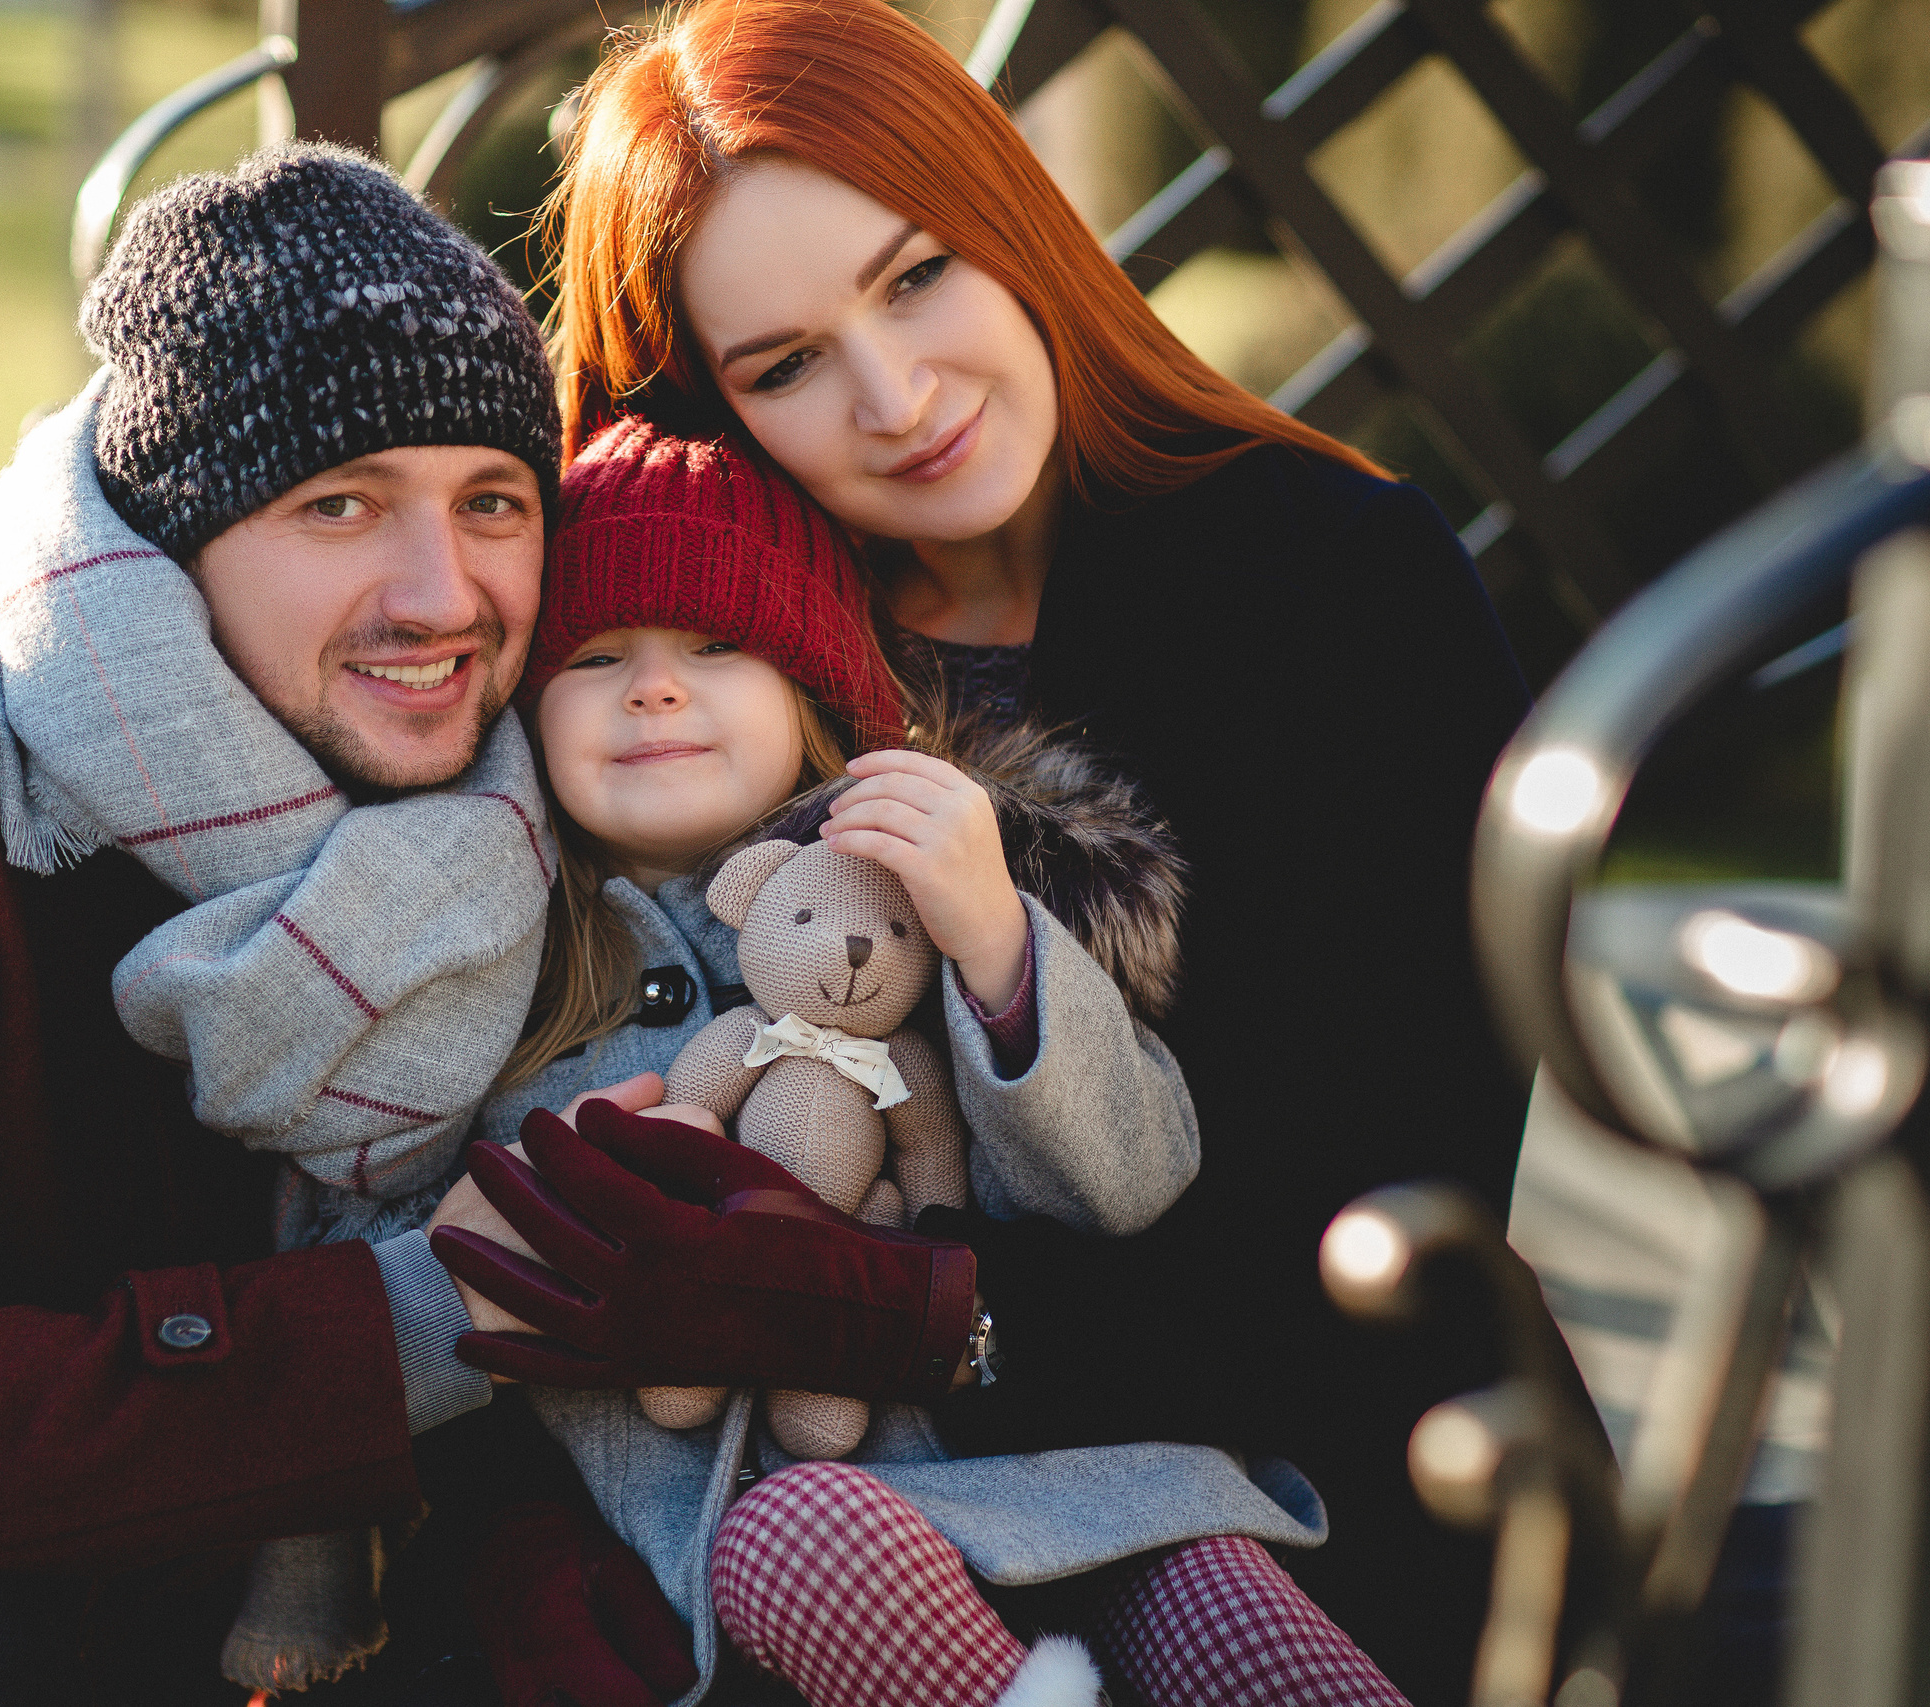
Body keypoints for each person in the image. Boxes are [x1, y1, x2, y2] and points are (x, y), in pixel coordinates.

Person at [0, 145, 979, 1705]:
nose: (443, 595)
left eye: (492, 503)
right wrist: (447, 1305)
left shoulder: (509, 828)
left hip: (145, 1607)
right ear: (171, 536)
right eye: (340, 507)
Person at [441, 2, 1539, 1698]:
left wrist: (903, 1307)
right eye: (785, 365)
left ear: (1014, 219)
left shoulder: (1338, 591)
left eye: (919, 274)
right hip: (810, 1548)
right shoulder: (695, 673)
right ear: (706, 404)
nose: (897, 396)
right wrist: (529, 1536)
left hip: (1294, 1502)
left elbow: (1382, 1234)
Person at [439, 417, 1419, 1707]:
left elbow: (1131, 1184)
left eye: (720, 646)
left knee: (1223, 1602)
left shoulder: (928, 896)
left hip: (1080, 1481)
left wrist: (1001, 949)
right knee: (805, 1539)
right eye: (598, 656)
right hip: (795, 1545)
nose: (655, 688)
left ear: (814, 692)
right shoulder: (513, 984)